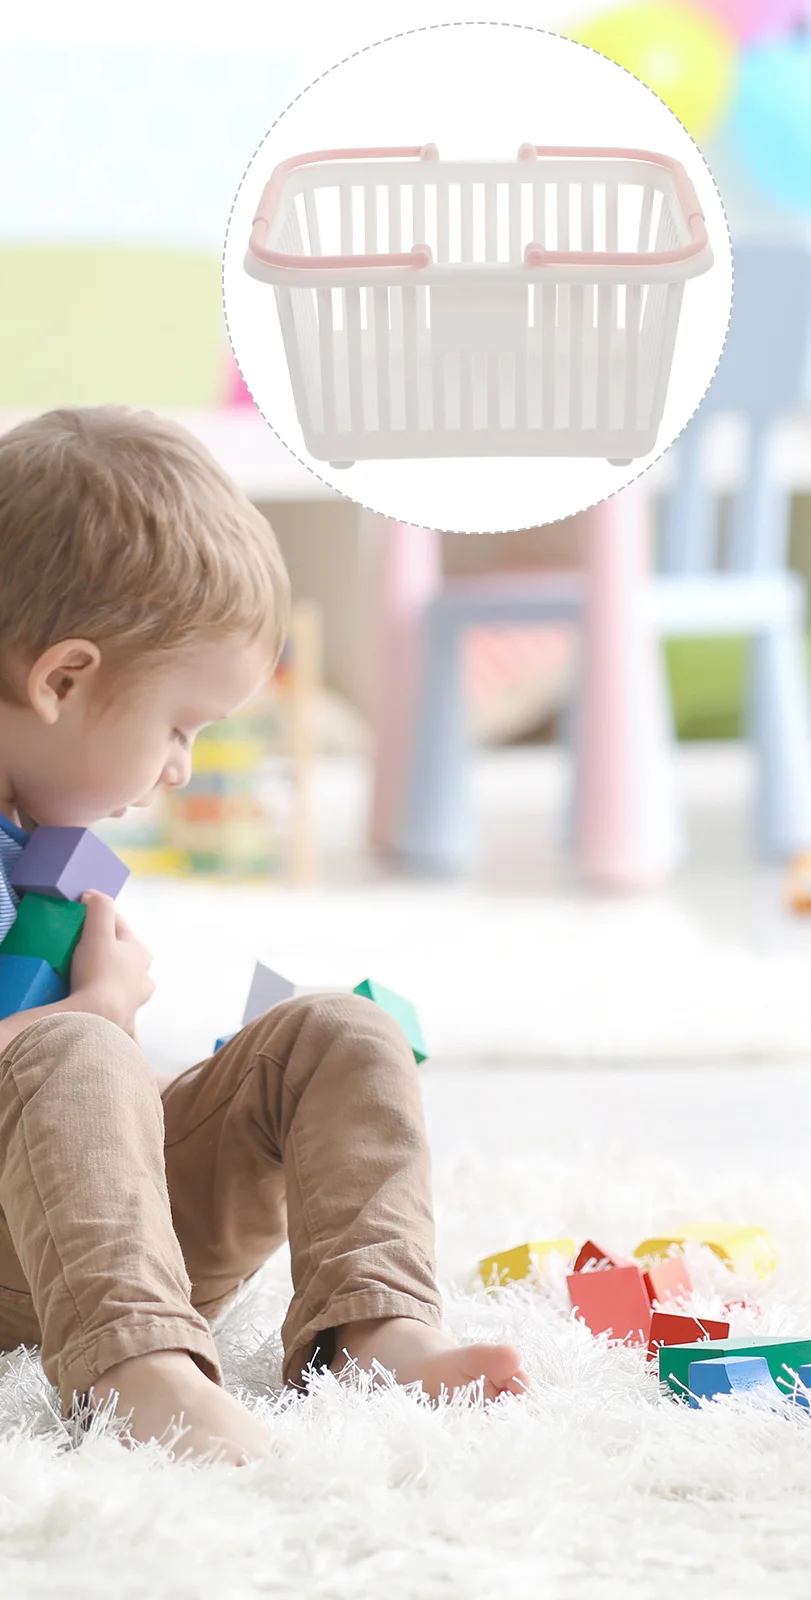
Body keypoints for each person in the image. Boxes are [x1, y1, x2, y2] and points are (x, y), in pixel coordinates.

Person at [0, 407, 527, 1464]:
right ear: (62, 680)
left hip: (91, 1233)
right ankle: (137, 1378)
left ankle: (373, 1329)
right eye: (179, 727)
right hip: (34, 1264)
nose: (181, 768)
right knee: (84, 1045)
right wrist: (92, 1018)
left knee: (340, 1030)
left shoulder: (35, 845)